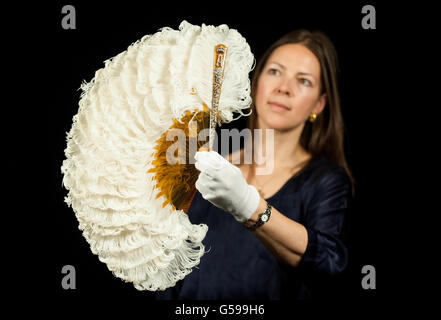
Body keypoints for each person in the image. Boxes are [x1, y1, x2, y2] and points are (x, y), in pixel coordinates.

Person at [156, 29, 355, 301]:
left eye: (304, 81)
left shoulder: (325, 180)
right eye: (275, 71)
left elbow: (330, 263)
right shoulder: (205, 167)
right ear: (256, 82)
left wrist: (248, 204)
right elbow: (168, 272)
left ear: (319, 104)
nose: (284, 87)